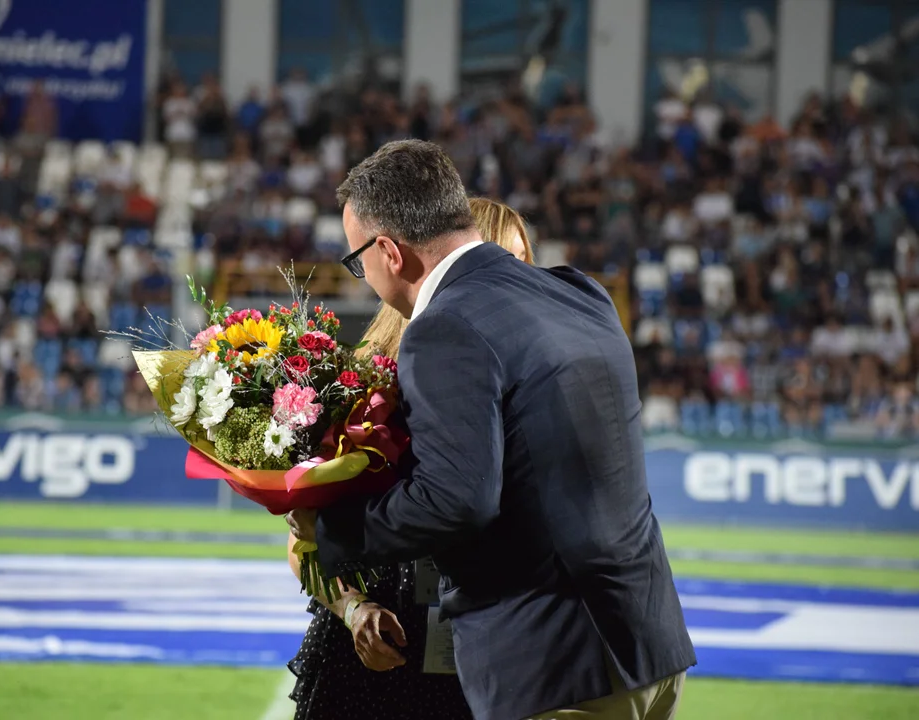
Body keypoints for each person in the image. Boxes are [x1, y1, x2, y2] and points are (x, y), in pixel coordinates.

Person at [287, 140, 696, 720]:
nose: (364, 276)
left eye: (358, 261)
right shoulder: (580, 292)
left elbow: (458, 501)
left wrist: (331, 531)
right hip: (650, 644)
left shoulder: (443, 327)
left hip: (556, 665)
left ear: (389, 251)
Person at [286, 198, 534, 720]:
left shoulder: (534, 388)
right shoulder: (364, 386)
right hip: (370, 664)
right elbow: (302, 539)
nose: (517, 281)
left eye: (523, 263)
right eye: (503, 262)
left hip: (486, 658)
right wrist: (354, 610)